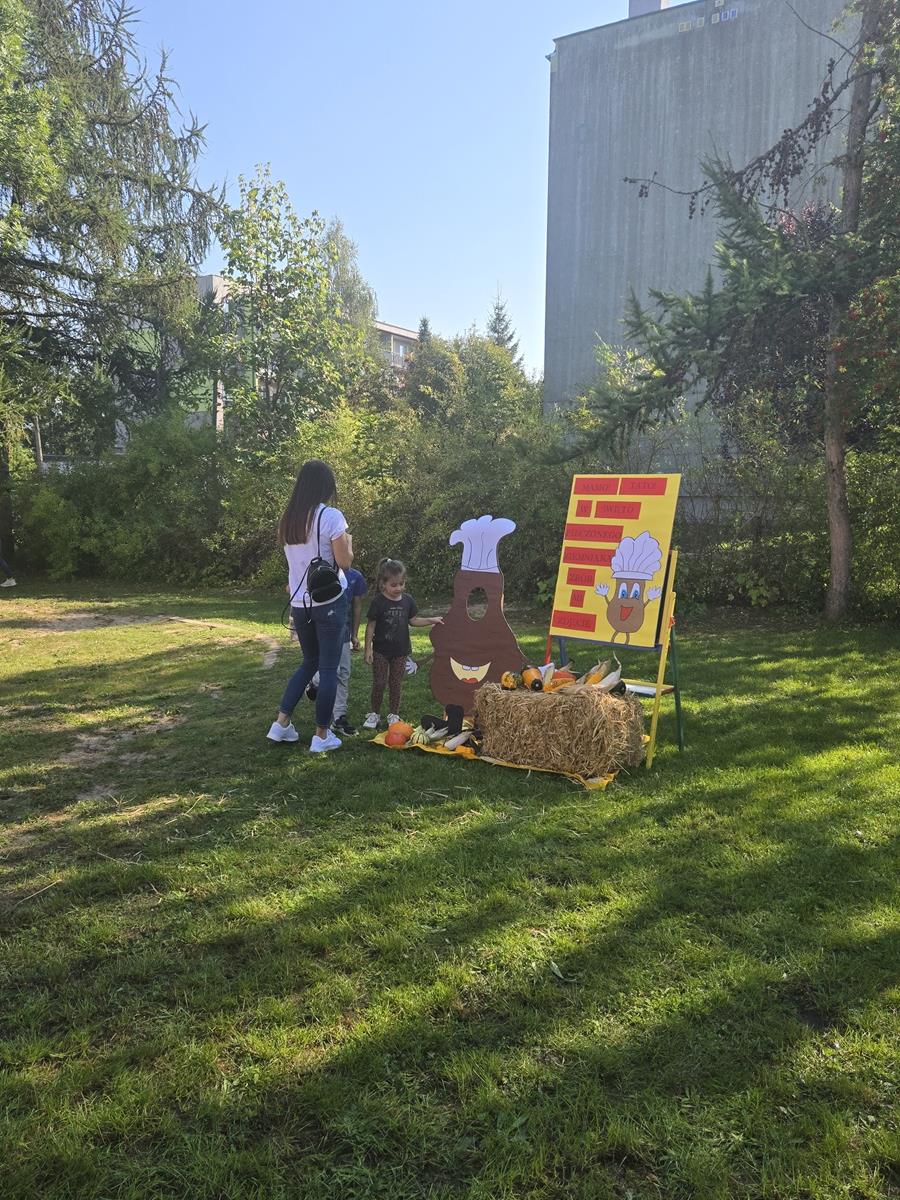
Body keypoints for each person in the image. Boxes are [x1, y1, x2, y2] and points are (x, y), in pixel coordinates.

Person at [267, 459, 354, 752]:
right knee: (328, 668)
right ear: (325, 487)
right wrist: (349, 543)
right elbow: (344, 562)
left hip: (300, 603)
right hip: (328, 600)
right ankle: (321, 735)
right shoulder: (330, 517)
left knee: (309, 662)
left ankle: (281, 723)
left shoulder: (289, 519)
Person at [362, 557, 442, 730]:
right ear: (383, 584)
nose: (398, 588)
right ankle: (374, 713)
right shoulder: (378, 602)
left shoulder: (408, 601)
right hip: (380, 651)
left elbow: (413, 621)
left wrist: (431, 620)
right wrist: (368, 649)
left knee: (396, 683)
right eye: (394, 585)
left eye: (401, 584)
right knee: (379, 682)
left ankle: (394, 714)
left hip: (401, 651)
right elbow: (370, 626)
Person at [331, 565, 367, 736]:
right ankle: (314, 682)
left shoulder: (356, 577)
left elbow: (356, 607)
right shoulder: (323, 570)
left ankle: (339, 717)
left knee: (343, 672)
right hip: (323, 631)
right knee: (331, 671)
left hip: (344, 632)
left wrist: (355, 634)